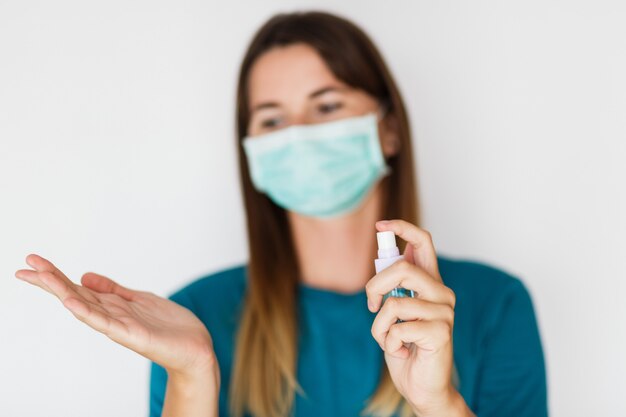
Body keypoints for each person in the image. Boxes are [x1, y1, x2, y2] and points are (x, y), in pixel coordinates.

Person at [15, 11, 548, 417]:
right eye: (272, 120)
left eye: (327, 106)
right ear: (251, 151)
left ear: (388, 129)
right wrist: (194, 374)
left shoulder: (490, 304)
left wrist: (439, 402)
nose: (300, 135)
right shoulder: (195, 315)